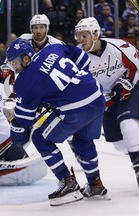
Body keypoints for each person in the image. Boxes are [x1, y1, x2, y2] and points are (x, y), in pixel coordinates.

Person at [5, 38, 107, 206]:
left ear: (25, 58)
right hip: (96, 96)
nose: (14, 67)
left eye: (15, 62)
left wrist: (15, 126)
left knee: (39, 137)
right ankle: (95, 184)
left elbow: (25, 120)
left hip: (76, 108)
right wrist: (74, 84)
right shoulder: (51, 50)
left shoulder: (24, 81)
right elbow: (83, 57)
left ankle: (68, 183)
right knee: (82, 140)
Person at [75, 17, 139, 188]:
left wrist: (125, 83)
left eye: (84, 36)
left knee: (129, 126)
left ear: (95, 34)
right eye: (78, 36)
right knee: (119, 145)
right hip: (106, 101)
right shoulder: (78, 57)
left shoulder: (119, 47)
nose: (81, 40)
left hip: (131, 91)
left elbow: (137, 66)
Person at [0, 14, 64, 90]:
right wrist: (8, 69)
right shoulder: (23, 39)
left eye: (41, 27)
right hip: (27, 81)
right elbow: (11, 56)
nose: (38, 31)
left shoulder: (56, 44)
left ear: (47, 28)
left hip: (48, 83)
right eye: (35, 28)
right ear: (31, 29)